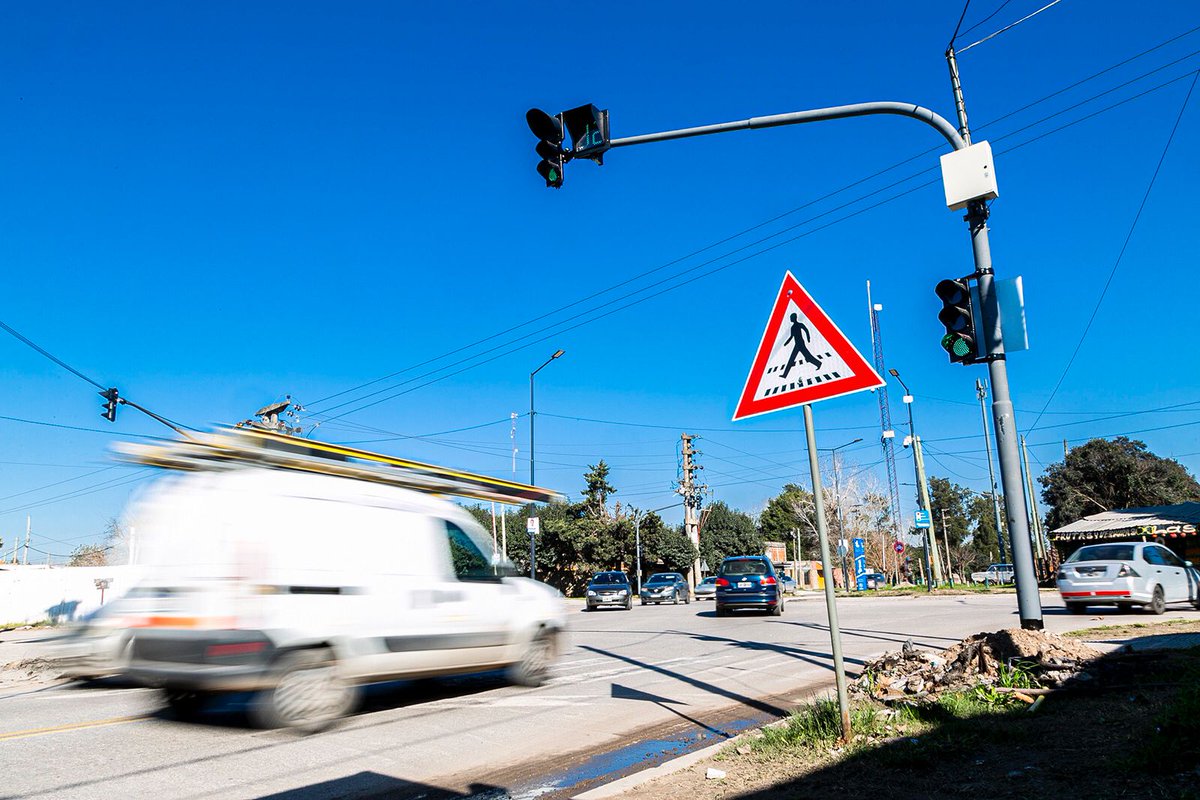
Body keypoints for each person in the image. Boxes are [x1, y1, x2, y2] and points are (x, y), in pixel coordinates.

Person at [780, 313, 822, 379]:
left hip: (801, 343)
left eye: (791, 317)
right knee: (792, 359)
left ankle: (819, 364)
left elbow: (806, 330)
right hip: (797, 345)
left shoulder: (800, 324)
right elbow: (791, 336)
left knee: (808, 357)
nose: (790, 319)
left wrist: (808, 338)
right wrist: (786, 343)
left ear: (794, 318)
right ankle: (784, 375)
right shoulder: (792, 327)